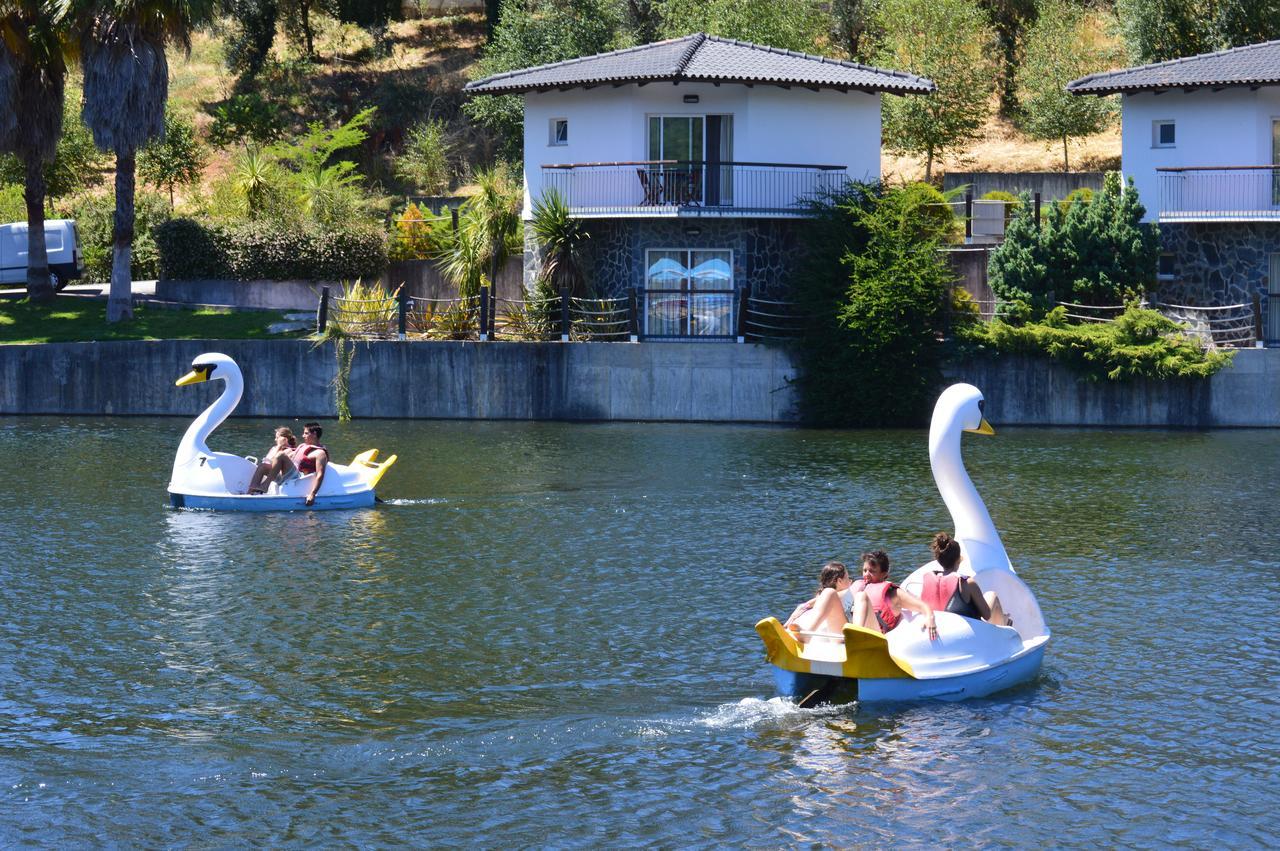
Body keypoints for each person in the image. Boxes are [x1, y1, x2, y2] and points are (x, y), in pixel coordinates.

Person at [919, 532, 1010, 627]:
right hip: (967, 632)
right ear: (959, 560)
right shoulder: (966, 582)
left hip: (939, 627)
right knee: (992, 596)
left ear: (938, 559)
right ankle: (1005, 624)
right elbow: (987, 615)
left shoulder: (927, 579)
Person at [850, 550, 938, 639]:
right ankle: (850, 636)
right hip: (852, 629)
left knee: (861, 596)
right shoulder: (859, 585)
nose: (866, 575)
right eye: (865, 570)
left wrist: (930, 618)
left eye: (872, 571)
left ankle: (856, 637)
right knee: (835, 594)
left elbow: (922, 606)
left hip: (876, 635)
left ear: (883, 574)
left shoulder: (893, 593)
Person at [784, 561, 854, 644]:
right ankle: (789, 631)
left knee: (827, 594)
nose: (851, 581)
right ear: (839, 581)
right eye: (847, 578)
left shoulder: (841, 594)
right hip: (833, 633)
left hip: (840, 636)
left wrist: (804, 606)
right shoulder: (838, 594)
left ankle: (804, 635)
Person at [246, 427, 298, 494]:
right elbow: (266, 461)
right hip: (275, 475)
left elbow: (272, 461)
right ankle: (250, 492)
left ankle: (264, 487)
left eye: (277, 437)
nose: (275, 439)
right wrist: (277, 448)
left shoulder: (290, 450)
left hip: (285, 477)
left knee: (268, 463)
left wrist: (279, 446)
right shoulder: (274, 448)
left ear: (284, 439)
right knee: (262, 466)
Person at [292, 422, 329, 507]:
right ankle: (259, 488)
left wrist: (312, 494)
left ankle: (262, 488)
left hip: (301, 481)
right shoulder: (302, 446)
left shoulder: (320, 453)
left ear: (314, 434)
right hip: (292, 478)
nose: (303, 436)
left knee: (280, 456)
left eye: (306, 433)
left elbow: (320, 474)